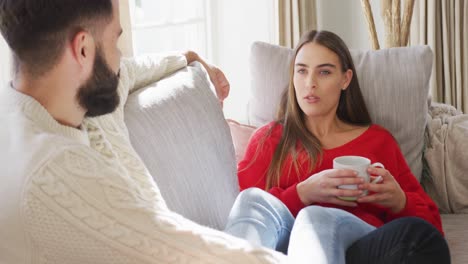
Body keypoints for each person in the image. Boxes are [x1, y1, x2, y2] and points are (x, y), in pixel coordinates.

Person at [0, 0, 293, 263]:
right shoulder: (53, 173)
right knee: (314, 225)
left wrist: (190, 58)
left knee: (269, 205)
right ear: (83, 49)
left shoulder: (74, 101)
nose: (118, 58)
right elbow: (187, 252)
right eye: (116, 41)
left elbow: (130, 70)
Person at [225, 30, 451, 264]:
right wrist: (303, 193)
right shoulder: (269, 139)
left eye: (324, 72)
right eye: (301, 71)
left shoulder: (377, 140)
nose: (310, 83)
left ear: (345, 79)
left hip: (361, 247)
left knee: (318, 217)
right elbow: (238, 212)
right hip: (283, 246)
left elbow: (433, 230)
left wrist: (400, 201)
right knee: (253, 199)